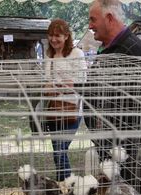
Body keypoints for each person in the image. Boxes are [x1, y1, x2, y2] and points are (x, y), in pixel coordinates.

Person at [84, 0, 141, 181]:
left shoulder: (134, 50)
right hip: (106, 138)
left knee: (122, 190)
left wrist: (108, 115)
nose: (90, 25)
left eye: (93, 20)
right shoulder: (109, 48)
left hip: (122, 142)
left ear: (109, 18)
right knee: (110, 190)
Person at [42, 19, 87, 181]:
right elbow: (47, 82)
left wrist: (63, 85)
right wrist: (52, 87)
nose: (53, 39)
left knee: (60, 150)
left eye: (57, 36)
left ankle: (67, 185)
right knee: (58, 152)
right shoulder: (49, 55)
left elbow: (82, 82)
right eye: (50, 36)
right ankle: (63, 186)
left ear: (66, 36)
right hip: (54, 110)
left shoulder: (77, 54)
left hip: (72, 108)